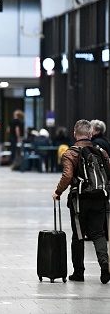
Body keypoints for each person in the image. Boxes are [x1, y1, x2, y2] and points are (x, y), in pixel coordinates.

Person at [52, 119, 110, 284]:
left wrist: (58, 192)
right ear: (90, 133)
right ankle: (104, 266)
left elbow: (68, 175)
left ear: (75, 134)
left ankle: (79, 272)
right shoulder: (101, 151)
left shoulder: (71, 153)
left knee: (78, 235)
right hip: (100, 197)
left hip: (80, 200)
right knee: (99, 233)